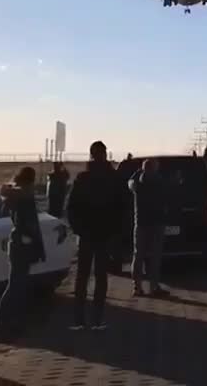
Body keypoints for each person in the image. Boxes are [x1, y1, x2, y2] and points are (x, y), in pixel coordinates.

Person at [67, 140, 121, 330]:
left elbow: (70, 208)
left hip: (87, 234)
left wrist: (79, 229)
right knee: (100, 277)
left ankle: (78, 319)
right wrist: (116, 232)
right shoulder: (113, 178)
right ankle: (97, 319)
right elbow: (120, 208)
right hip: (104, 234)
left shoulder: (83, 178)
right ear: (105, 154)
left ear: (91, 155)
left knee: (82, 277)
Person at [0, 166, 45, 343]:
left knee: (17, 287)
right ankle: (3, 328)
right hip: (22, 246)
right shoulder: (24, 199)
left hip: (19, 246)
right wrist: (38, 246)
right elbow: (31, 226)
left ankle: (8, 326)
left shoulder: (18, 197)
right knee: (15, 288)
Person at [129, 158, 168, 297]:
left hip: (141, 223)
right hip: (157, 222)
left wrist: (137, 172)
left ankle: (137, 287)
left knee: (138, 255)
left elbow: (130, 182)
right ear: (155, 168)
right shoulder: (159, 181)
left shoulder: (137, 183)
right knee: (155, 256)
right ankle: (154, 286)